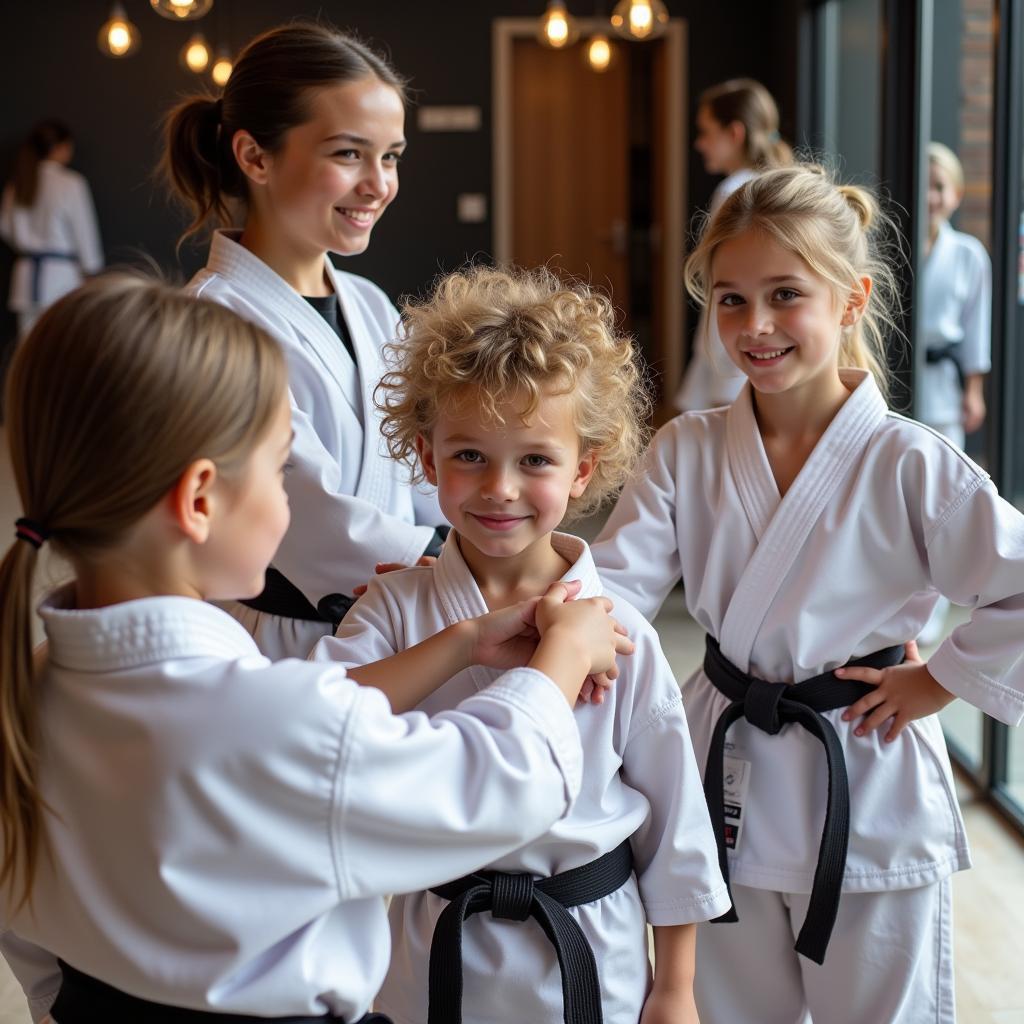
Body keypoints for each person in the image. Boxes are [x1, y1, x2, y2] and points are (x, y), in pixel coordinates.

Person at [0, 275, 634, 1024]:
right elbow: (500, 784)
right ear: (200, 500)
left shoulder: (28, 690)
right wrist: (563, 651)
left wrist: (462, 640)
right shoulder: (272, 714)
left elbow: (34, 956)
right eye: (279, 469)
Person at [591, 165, 1024, 1024]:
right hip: (726, 777)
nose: (755, 327)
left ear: (852, 298)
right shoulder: (687, 449)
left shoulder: (910, 461)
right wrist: (477, 586)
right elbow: (611, 589)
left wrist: (937, 680)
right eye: (729, 299)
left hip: (863, 773)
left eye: (785, 295)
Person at [312, 266, 729, 1024]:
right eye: (470, 456)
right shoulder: (393, 611)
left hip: (585, 951)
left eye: (535, 460)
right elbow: (323, 722)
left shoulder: (621, 633)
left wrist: (676, 986)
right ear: (427, 457)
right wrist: (463, 642)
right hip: (430, 945)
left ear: (583, 471)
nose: (500, 488)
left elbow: (675, 825)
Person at [162, 22, 446, 660]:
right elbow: (302, 510)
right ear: (255, 157)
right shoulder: (210, 324)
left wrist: (479, 530)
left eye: (391, 156)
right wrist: (456, 563)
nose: (378, 184)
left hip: (412, 616)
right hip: (283, 642)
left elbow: (430, 455)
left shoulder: (370, 304)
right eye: (348, 154)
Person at [675, 78, 793, 413]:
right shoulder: (777, 187)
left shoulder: (734, 194)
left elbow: (726, 285)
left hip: (733, 353)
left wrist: (720, 368)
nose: (700, 144)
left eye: (706, 131)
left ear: (735, 133)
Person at [917, 142, 993, 645]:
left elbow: (975, 328)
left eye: (940, 186)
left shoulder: (969, 255)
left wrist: (974, 389)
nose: (930, 196)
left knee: (947, 498)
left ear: (956, 194)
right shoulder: (894, 245)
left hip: (943, 385)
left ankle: (936, 609)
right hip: (902, 380)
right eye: (924, 184)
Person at [0, 119, 103, 341]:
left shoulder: (17, 183)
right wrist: (91, 270)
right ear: (61, 147)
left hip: (25, 277)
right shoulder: (70, 183)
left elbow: (5, 228)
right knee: (61, 348)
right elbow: (84, 233)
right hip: (62, 278)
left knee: (27, 349)